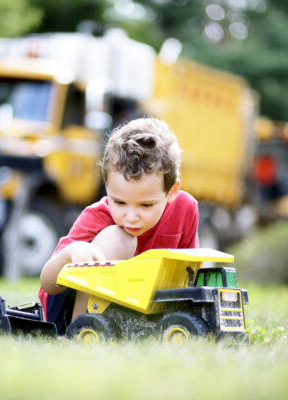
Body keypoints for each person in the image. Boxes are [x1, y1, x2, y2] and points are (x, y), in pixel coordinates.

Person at [38, 117, 199, 334]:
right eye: (120, 202)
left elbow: (192, 275)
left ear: (171, 192)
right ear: (107, 187)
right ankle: (81, 330)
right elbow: (48, 284)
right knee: (119, 239)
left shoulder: (185, 209)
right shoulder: (97, 216)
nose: (131, 217)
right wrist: (72, 253)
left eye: (146, 205)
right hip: (64, 310)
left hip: (138, 309)